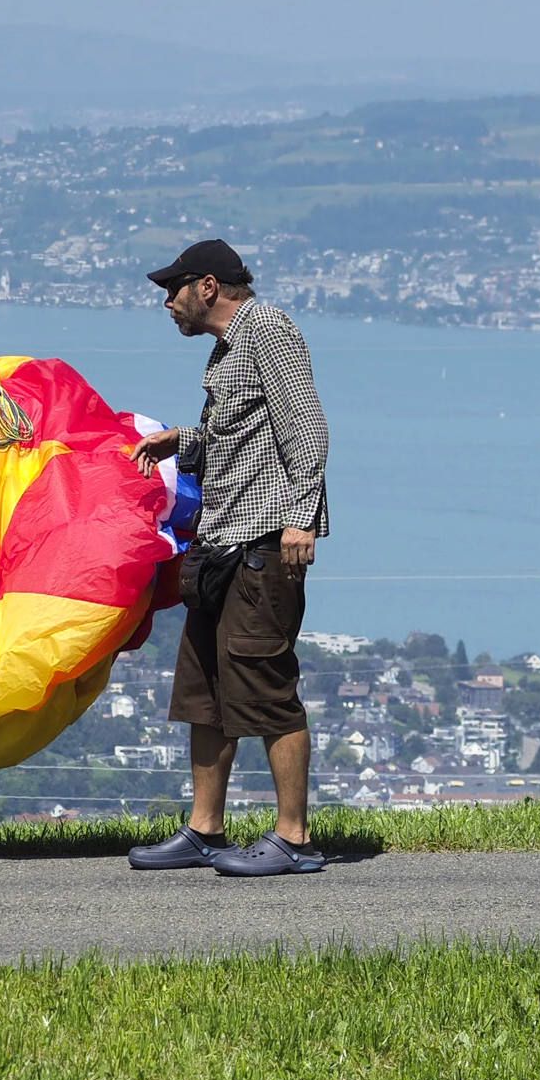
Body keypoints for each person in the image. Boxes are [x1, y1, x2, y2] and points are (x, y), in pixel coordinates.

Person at [126, 240, 329, 876]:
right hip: (220, 541)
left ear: (208, 286)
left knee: (266, 687)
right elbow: (234, 434)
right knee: (205, 691)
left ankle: (293, 839)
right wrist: (180, 441)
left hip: (264, 543)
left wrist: (302, 519)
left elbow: (308, 427)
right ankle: (205, 830)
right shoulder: (228, 347)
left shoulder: (267, 329)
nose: (167, 302)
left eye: (174, 289)